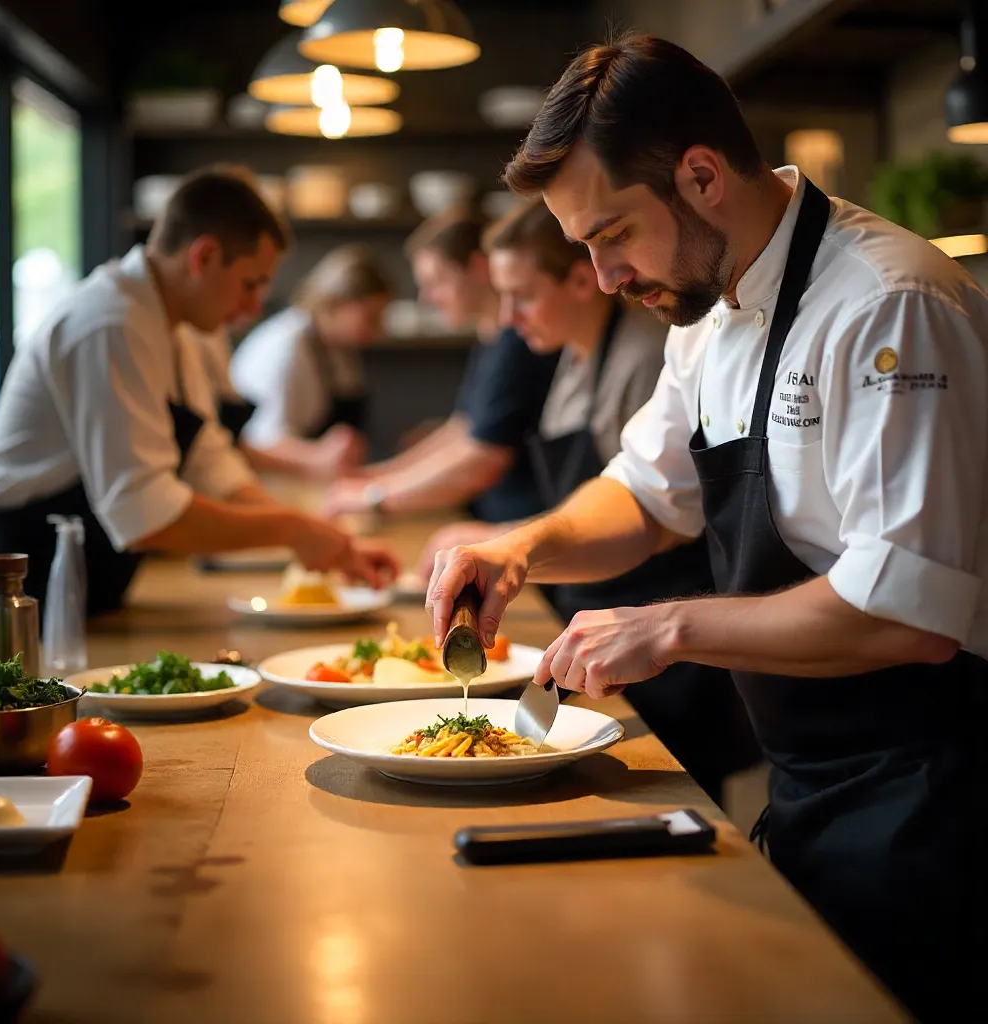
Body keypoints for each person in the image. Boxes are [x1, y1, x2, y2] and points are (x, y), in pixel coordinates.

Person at [427, 33, 988, 1023]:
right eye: (584, 250)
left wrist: (668, 626)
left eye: (611, 236)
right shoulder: (707, 315)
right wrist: (524, 547)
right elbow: (646, 496)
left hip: (935, 796)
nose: (601, 277)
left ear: (699, 175)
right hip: (812, 781)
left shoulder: (887, 306)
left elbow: (909, 613)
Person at [0, 166, 398, 661]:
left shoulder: (171, 326)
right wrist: (294, 532)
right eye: (250, 284)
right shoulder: (111, 323)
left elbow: (212, 465)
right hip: (20, 591)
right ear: (204, 256)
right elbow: (147, 515)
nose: (254, 306)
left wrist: (328, 542)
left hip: (86, 588)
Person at [418, 198, 760, 805]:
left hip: (661, 644)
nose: (509, 317)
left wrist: (514, 540)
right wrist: (514, 546)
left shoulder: (644, 353)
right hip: (601, 629)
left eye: (521, 295)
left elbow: (662, 513)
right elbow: (634, 487)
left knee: (677, 813)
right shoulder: (570, 358)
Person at [321, 207, 560, 523]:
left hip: (520, 527)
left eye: (436, 281)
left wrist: (375, 496)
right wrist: (376, 478)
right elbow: (462, 428)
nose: (427, 299)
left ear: (476, 266)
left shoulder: (520, 339)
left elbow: (484, 456)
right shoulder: (490, 338)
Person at [228, 244, 393, 481]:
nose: (378, 330)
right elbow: (261, 442)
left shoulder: (340, 349)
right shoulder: (287, 347)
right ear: (336, 302)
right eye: (371, 317)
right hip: (268, 480)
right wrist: (319, 455)